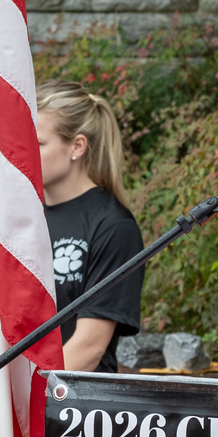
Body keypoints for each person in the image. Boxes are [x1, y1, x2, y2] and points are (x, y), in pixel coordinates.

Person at [36, 80, 144, 373]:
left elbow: (89, 348)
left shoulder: (113, 226)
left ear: (77, 146)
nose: (25, 151)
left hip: (75, 408)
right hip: (17, 405)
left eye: (39, 143)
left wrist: (26, 400)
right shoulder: (25, 218)